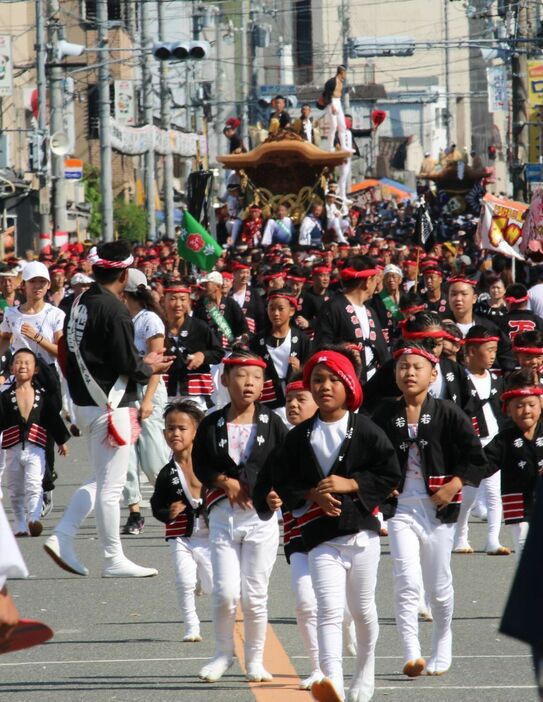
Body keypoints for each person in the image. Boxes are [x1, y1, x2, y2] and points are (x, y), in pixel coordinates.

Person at [273, 347, 401, 702]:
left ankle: (365, 666)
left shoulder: (366, 429)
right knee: (327, 610)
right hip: (318, 536)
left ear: (349, 385)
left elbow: (390, 471)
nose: (324, 386)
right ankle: (332, 682)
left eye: (333, 379)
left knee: (361, 609)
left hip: (360, 532)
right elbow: (282, 480)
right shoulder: (297, 437)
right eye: (317, 380)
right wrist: (312, 494)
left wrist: (352, 484)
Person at [44, 241, 173, 579]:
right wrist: (150, 366)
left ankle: (63, 534)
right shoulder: (114, 311)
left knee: (99, 479)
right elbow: (126, 362)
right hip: (111, 405)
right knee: (111, 487)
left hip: (86, 403)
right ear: (125, 272)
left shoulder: (77, 301)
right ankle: (112, 557)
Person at [372, 340, 487, 677]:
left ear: (433, 373)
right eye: (402, 367)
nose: (409, 373)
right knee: (405, 580)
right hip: (401, 509)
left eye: (416, 367)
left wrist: (454, 485)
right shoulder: (384, 414)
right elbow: (367, 457)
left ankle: (442, 641)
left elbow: (475, 458)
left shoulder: (449, 412)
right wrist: (382, 482)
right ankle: (411, 652)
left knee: (438, 583)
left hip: (438, 509)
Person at [193, 350, 287, 683]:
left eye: (256, 377)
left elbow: (286, 467)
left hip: (260, 520)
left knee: (255, 594)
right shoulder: (211, 423)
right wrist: (223, 481)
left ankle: (256, 659)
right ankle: (222, 653)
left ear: (264, 384)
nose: (248, 383)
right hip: (222, 517)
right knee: (225, 592)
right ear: (225, 379)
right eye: (240, 376)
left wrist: (279, 492)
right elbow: (200, 465)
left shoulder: (273, 423)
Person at [150, 400, 212, 642]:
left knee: (214, 587)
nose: (175, 433)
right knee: (183, 580)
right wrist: (168, 513)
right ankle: (191, 626)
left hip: (210, 536)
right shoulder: (167, 473)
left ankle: (201, 583)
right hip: (181, 537)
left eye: (182, 428)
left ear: (196, 432)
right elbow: (156, 505)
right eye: (170, 428)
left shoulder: (209, 465)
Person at [121, 268, 171, 536]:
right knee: (126, 455)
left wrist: (149, 400)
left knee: (153, 458)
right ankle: (135, 512)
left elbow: (158, 362)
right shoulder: (120, 318)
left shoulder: (150, 320)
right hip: (124, 391)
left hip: (148, 390)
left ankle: (173, 503)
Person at [1, 349, 70, 537]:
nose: (22, 366)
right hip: (12, 448)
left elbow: (53, 420)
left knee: (34, 483)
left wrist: (61, 441)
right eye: (18, 362)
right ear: (11, 368)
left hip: (35, 447)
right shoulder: (5, 397)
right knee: (15, 488)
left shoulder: (43, 396)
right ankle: (20, 523)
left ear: (36, 369)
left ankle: (34, 518)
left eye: (27, 363)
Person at [454, 326, 509, 556]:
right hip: (471, 443)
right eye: (489, 350)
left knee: (495, 493)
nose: (493, 354)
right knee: (468, 495)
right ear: (472, 351)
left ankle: (493, 540)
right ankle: (460, 536)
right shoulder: (460, 379)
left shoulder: (496, 380)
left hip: (494, 440)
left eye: (495, 350)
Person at [485, 369, 543, 556]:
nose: (526, 410)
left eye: (531, 404)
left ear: (541, 404)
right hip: (518, 503)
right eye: (519, 406)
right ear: (508, 409)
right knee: (525, 554)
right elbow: (482, 464)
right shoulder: (504, 440)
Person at [315, 256, 390, 383]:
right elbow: (322, 347)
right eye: (375, 279)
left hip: (374, 386)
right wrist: (343, 349)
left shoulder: (370, 311)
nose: (377, 283)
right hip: (347, 383)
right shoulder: (333, 307)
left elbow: (383, 353)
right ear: (367, 281)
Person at [249, 289, 311, 420]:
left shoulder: (301, 339)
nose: (275, 313)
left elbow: (311, 369)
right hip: (268, 398)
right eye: (271, 308)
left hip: (294, 398)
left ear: (292, 311)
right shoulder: (257, 341)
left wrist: (299, 370)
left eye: (281, 309)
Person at [163, 284, 224, 410]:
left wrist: (202, 356)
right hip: (163, 392)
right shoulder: (157, 326)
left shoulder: (200, 326)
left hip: (195, 393)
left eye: (183, 299)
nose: (178, 304)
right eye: (173, 298)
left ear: (189, 301)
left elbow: (218, 353)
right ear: (164, 300)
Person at [323, 65, 348, 152]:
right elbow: (327, 95)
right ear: (342, 72)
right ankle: (330, 146)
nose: (345, 75)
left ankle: (343, 146)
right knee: (333, 126)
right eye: (345, 73)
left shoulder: (341, 82)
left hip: (338, 102)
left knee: (342, 125)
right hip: (332, 102)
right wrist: (331, 105)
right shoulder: (331, 82)